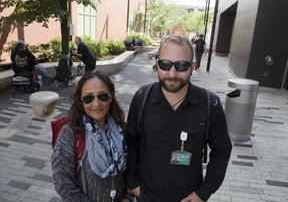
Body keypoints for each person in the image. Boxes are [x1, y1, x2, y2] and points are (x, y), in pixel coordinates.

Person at [124, 34, 232, 202]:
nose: (172, 73)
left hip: (188, 197)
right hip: (146, 195)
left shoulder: (210, 104)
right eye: (165, 64)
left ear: (192, 66)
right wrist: (132, 182)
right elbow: (131, 141)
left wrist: (203, 193)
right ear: (157, 64)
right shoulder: (141, 99)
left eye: (181, 65)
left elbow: (222, 150)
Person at [51, 70, 133, 202]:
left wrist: (128, 196)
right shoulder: (71, 133)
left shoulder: (120, 129)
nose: (96, 104)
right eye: (89, 98)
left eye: (103, 96)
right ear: (81, 99)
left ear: (111, 96)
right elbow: (63, 182)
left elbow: (131, 167)